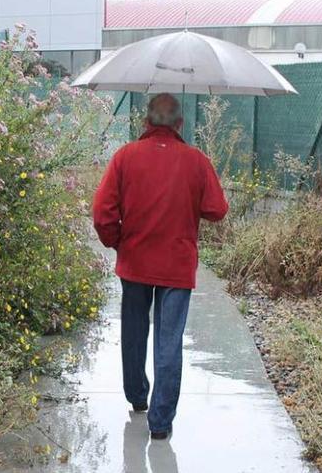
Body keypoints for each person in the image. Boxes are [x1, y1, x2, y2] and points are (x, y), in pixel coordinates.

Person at [92, 93, 229, 440]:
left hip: (135, 261)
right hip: (177, 267)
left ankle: (138, 396)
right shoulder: (196, 161)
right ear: (180, 124)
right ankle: (161, 422)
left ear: (146, 122)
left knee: (135, 332)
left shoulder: (125, 157)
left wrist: (117, 241)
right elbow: (217, 210)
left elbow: (102, 212)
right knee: (169, 341)